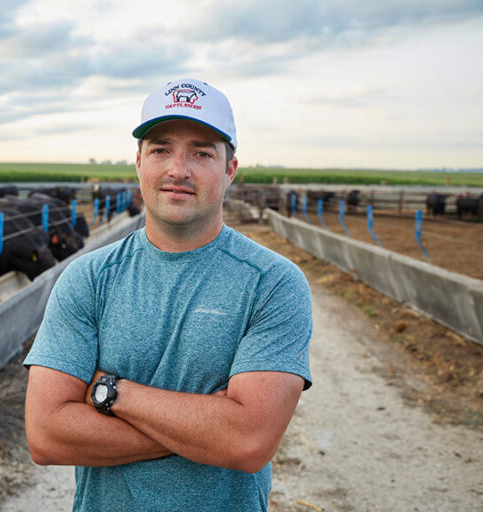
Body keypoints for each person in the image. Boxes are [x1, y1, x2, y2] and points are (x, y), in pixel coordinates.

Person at [23, 78, 313, 511]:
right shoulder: (88, 278)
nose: (179, 169)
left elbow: (248, 442)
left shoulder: (272, 283)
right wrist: (209, 430)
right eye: (161, 149)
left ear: (230, 169)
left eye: (201, 152)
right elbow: (46, 435)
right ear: (138, 162)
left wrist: (109, 392)